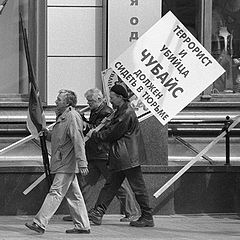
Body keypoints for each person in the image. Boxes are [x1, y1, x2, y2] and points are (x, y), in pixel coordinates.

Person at [63, 88, 139, 222]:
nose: (89, 103)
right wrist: (82, 119)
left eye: (91, 101)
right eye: (87, 101)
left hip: (104, 154)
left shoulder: (107, 112)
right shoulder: (96, 110)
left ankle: (132, 212)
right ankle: (81, 213)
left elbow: (99, 130)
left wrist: (82, 123)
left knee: (117, 185)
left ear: (99, 99)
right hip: (94, 153)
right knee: (85, 183)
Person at [87, 85, 154, 227]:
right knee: (111, 185)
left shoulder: (126, 113)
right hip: (122, 156)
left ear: (120, 97)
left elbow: (113, 133)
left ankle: (147, 216)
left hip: (127, 156)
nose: (110, 100)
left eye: (112, 97)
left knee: (137, 187)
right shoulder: (120, 111)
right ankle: (98, 213)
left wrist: (96, 135)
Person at [25, 89, 91, 234]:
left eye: (59, 99)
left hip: (66, 162)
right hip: (63, 161)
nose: (55, 101)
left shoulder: (71, 117)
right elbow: (59, 138)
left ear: (68, 103)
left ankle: (39, 223)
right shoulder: (63, 117)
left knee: (55, 192)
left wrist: (82, 163)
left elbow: (78, 140)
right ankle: (83, 225)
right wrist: (47, 134)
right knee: (74, 195)